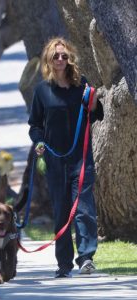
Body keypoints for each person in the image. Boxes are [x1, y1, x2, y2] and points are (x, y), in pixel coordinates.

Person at [28, 37, 104, 278]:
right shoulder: (42, 91)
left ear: (70, 59)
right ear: (49, 60)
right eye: (55, 56)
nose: (60, 59)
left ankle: (86, 258)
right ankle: (64, 264)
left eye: (64, 55)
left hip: (81, 160)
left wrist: (93, 105)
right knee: (61, 211)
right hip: (54, 160)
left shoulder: (81, 86)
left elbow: (96, 114)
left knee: (83, 209)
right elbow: (35, 125)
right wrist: (39, 142)